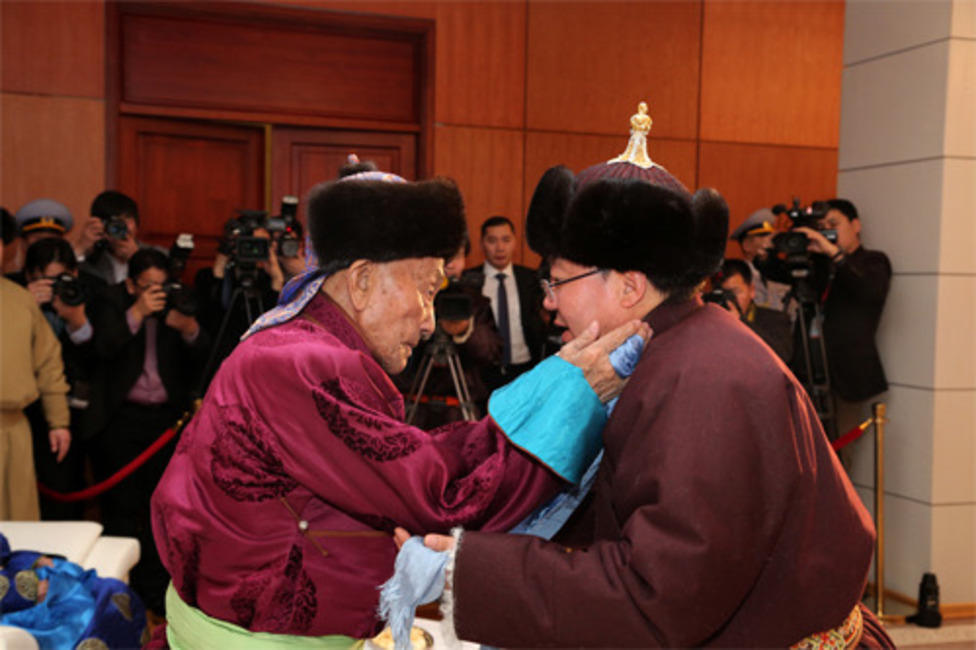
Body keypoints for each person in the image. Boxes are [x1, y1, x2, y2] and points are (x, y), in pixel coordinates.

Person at [397, 105, 892, 648]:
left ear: (630, 287)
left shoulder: (702, 383)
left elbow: (658, 596)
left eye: (558, 281)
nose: (549, 302)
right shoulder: (664, 351)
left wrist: (468, 570)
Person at [150, 171, 644, 646]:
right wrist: (569, 398)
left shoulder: (297, 345)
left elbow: (419, 456)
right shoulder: (302, 363)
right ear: (362, 280)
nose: (429, 323)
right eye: (427, 290)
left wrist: (553, 389)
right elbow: (442, 498)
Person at [89, 248, 209, 616]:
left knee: (164, 510)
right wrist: (137, 314)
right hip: (121, 421)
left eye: (162, 285)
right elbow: (101, 348)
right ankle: (118, 590)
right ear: (130, 285)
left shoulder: (179, 304)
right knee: (121, 509)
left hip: (166, 424)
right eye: (147, 286)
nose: (157, 293)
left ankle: (156, 592)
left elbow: (205, 356)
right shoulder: (111, 303)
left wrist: (188, 329)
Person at [18, 238, 102, 520]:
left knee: (66, 491)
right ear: (28, 276)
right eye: (43, 279)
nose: (53, 287)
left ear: (74, 274)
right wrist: (24, 306)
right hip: (24, 410)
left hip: (74, 410)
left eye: (60, 279)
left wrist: (77, 321)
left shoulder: (91, 294)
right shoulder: (14, 298)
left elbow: (102, 356)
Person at [0, 210, 71, 520]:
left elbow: (49, 363)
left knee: (17, 520)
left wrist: (59, 421)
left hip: (13, 427)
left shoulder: (20, 300)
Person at [395, 237, 503, 426]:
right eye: (444, 256)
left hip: (458, 409)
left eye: (457, 257)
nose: (450, 264)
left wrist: (465, 330)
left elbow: (490, 352)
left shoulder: (476, 302)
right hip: (415, 406)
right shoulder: (410, 298)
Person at [463, 216, 547, 390]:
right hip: (483, 374)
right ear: (482, 244)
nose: (500, 248)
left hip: (525, 369)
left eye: (506, 240)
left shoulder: (531, 279)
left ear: (515, 242)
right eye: (492, 241)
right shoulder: (468, 281)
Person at [715, 258, 793, 362]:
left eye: (736, 292)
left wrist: (740, 322)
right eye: (725, 294)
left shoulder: (776, 318)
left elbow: (783, 355)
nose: (731, 299)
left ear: (751, 291)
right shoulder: (712, 323)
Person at [81, 190, 154, 285]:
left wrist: (137, 259)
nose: (121, 228)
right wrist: (81, 247)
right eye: (115, 223)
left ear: (136, 223)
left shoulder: (158, 256)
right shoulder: (92, 260)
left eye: (127, 219)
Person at [729, 207, 791, 311]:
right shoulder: (739, 277)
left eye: (770, 236)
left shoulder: (779, 273)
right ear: (746, 244)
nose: (769, 241)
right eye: (762, 236)